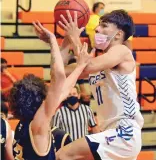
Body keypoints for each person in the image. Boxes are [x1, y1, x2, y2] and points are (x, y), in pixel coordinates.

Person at [55, 10, 144, 160]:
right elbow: (59, 73)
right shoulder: (98, 63)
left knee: (63, 155)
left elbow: (87, 64)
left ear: (118, 34)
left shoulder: (122, 50)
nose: (97, 29)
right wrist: (65, 41)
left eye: (104, 26)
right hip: (109, 131)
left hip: (124, 131)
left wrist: (75, 37)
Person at [9, 21, 91, 160]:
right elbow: (59, 77)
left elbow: (63, 90)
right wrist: (53, 40)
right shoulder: (38, 125)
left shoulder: (22, 124)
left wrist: (66, 41)